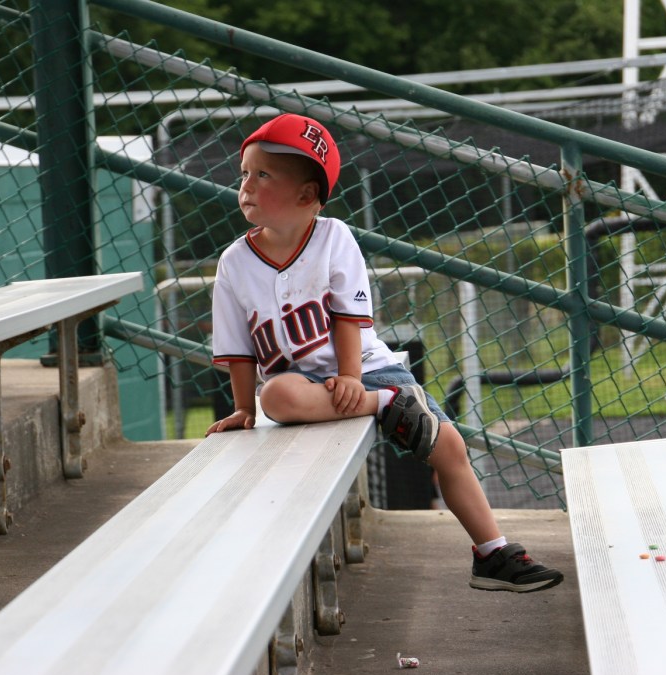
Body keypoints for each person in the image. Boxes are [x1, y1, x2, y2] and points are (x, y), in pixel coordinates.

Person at [205, 113, 563, 593]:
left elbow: (349, 319)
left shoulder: (333, 236)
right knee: (279, 396)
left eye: (262, 175)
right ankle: (386, 407)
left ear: (307, 195)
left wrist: (354, 379)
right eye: (244, 173)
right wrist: (244, 409)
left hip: (371, 370)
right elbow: (239, 350)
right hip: (305, 391)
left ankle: (492, 553)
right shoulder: (233, 263)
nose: (245, 185)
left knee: (450, 447)